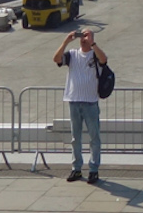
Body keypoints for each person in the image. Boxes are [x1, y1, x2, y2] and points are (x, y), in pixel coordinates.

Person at [52, 26, 108, 183]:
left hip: (90, 102)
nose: (83, 38)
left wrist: (93, 44)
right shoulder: (72, 55)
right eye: (82, 35)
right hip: (74, 101)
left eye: (87, 35)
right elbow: (56, 59)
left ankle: (93, 169)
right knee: (75, 138)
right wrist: (65, 42)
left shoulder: (95, 55)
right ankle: (76, 168)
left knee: (94, 137)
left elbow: (104, 60)